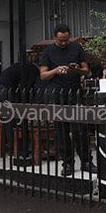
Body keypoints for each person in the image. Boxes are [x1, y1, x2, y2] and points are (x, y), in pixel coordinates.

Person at [39, 24, 97, 176]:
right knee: (61, 130)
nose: (63, 43)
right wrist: (56, 70)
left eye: (65, 40)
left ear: (69, 36)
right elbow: (43, 75)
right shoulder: (48, 52)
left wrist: (76, 69)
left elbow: (87, 70)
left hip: (75, 93)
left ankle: (86, 161)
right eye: (60, 41)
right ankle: (68, 163)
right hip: (57, 94)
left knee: (80, 129)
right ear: (55, 38)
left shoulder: (77, 48)